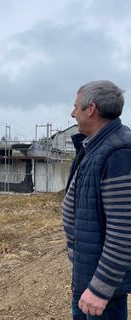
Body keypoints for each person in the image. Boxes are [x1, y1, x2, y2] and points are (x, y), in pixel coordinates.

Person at [63, 80, 131, 319]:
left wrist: (100, 289)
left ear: (91, 109)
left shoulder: (118, 152)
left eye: (76, 107)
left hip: (101, 289)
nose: (73, 113)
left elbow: (124, 231)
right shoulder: (95, 147)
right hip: (87, 273)